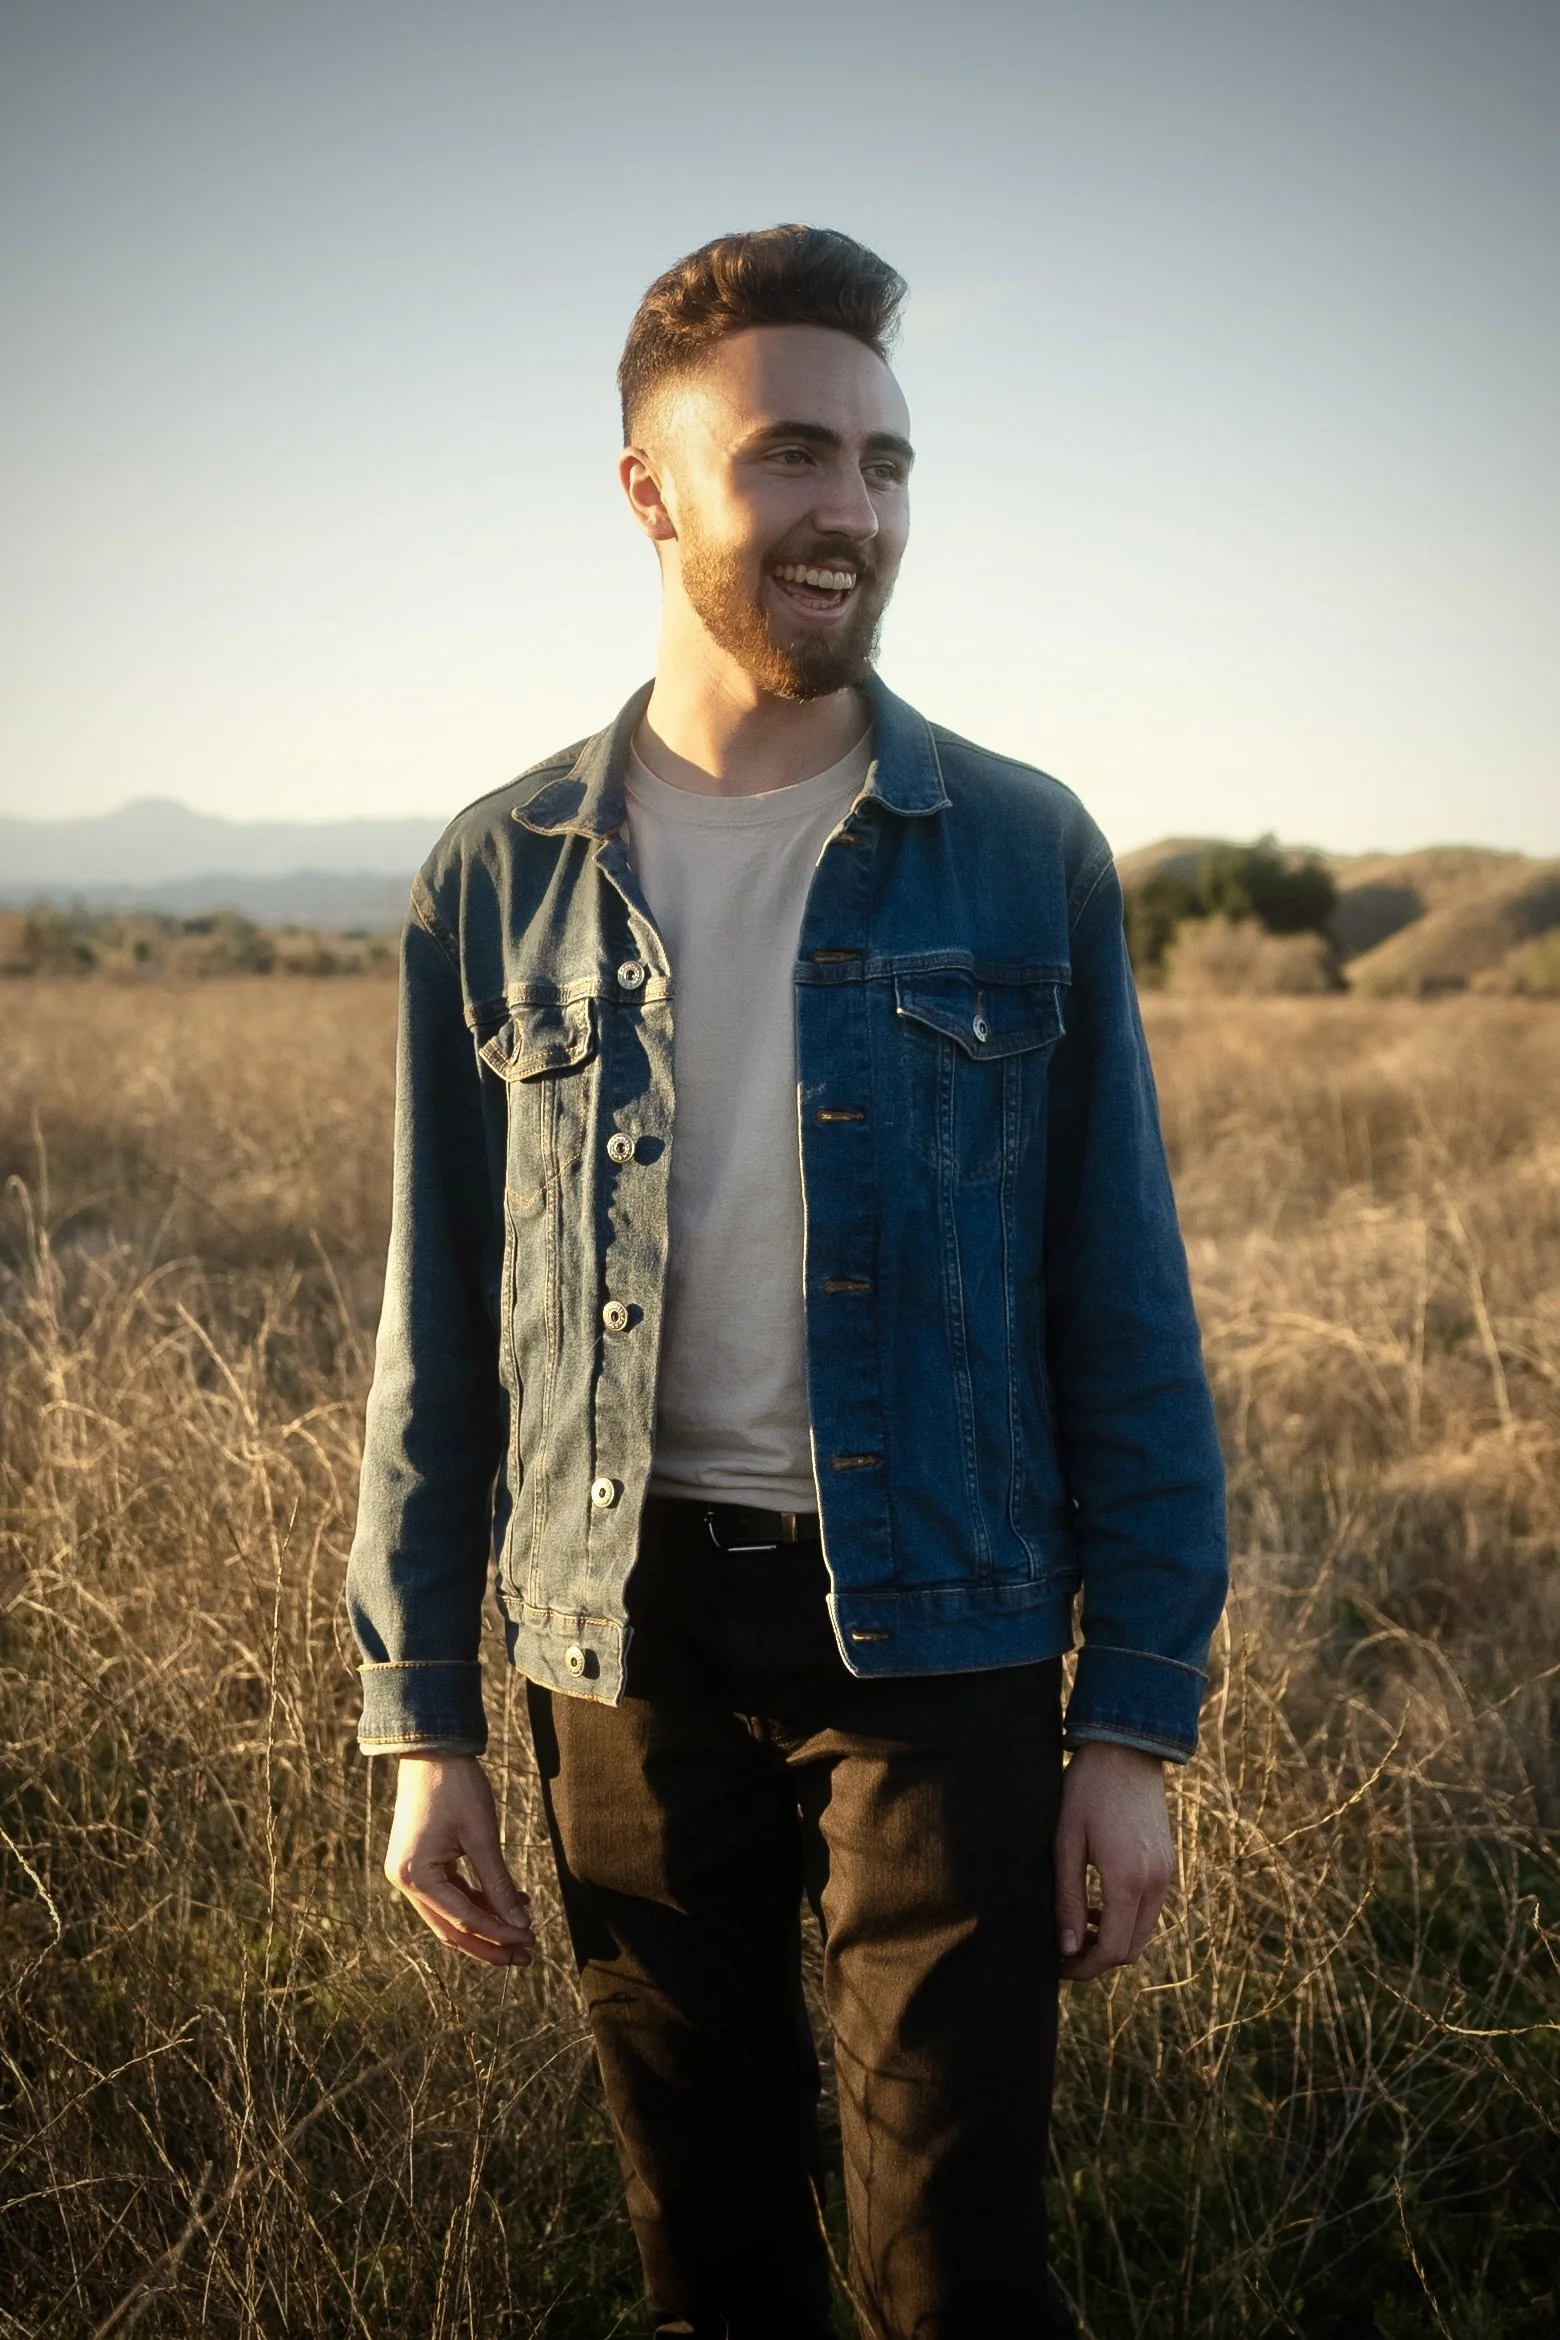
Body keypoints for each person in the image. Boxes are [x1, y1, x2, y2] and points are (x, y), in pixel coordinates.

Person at [346, 224, 1228, 2340]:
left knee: (955, 2265)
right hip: (616, 1632)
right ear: (648, 487)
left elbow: (1123, 1305)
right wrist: (422, 1721)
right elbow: (436, 1331)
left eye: (892, 463)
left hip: (945, 1633)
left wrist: (1135, 1724)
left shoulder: (1021, 849)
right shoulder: (500, 875)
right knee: (708, 2249)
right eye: (797, 455)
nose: (856, 512)